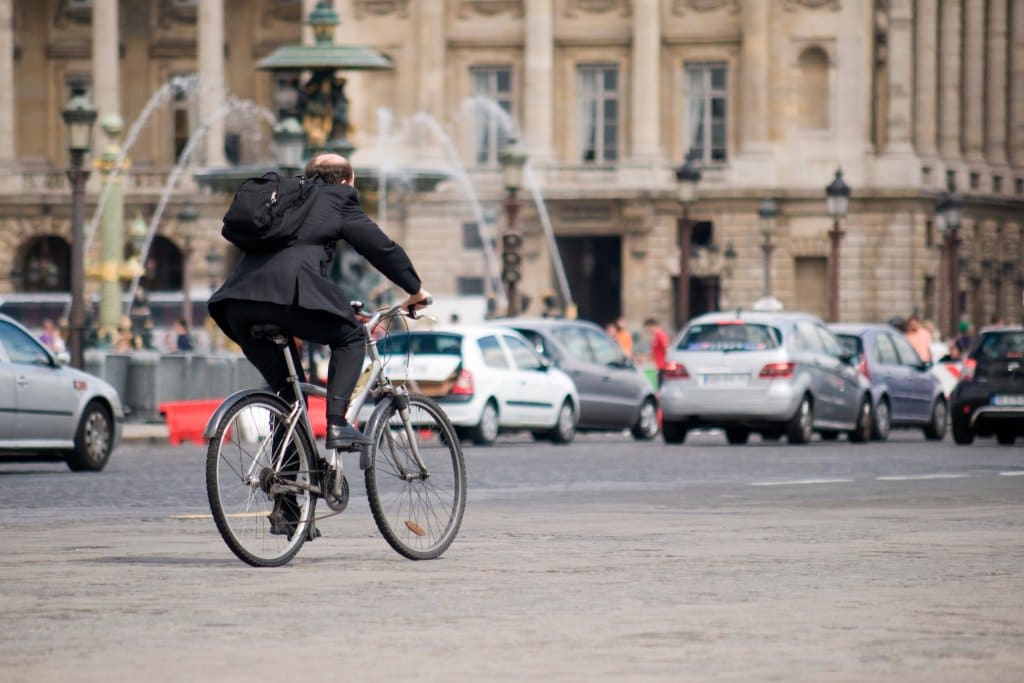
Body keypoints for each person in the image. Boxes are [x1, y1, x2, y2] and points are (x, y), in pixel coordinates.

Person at [208, 152, 430, 455]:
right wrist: (415, 289)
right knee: (351, 336)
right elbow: (380, 248)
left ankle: (286, 495)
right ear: (347, 180)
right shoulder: (338, 197)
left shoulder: (282, 197)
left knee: (288, 394)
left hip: (236, 303)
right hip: (287, 296)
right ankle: (337, 423)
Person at [643, 318, 670, 388]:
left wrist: (667, 364)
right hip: (659, 367)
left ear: (651, 326)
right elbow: (654, 354)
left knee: (661, 388)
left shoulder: (660, 335)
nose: (648, 331)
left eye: (647, 329)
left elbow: (666, 348)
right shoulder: (656, 336)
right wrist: (643, 358)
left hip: (663, 367)